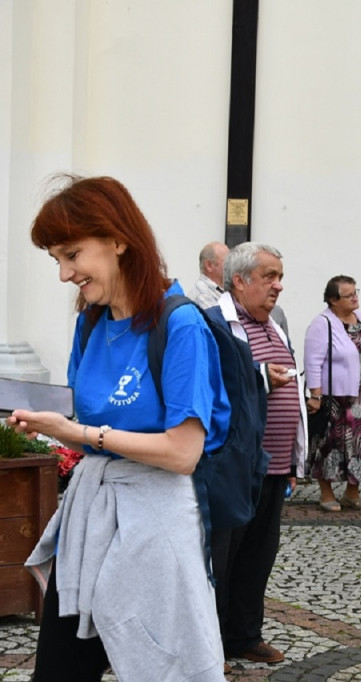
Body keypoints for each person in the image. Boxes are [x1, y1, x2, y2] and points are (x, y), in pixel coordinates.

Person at [11, 175, 231, 680]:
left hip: (156, 522)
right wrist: (58, 427)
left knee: (165, 669)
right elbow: (86, 416)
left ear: (118, 240)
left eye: (72, 254)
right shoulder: (91, 323)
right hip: (90, 520)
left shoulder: (181, 327)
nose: (65, 274)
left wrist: (82, 435)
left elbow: (182, 453)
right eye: (57, 260)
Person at [211, 242, 306, 665]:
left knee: (257, 557)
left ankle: (244, 636)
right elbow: (216, 381)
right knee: (223, 558)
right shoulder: (215, 324)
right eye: (269, 276)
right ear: (239, 280)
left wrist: (291, 461)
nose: (278, 286)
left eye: (279, 276)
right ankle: (211, 645)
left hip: (274, 464)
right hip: (235, 466)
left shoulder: (275, 324)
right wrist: (260, 375)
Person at [303, 275, 361, 511]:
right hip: (338, 398)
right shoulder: (322, 323)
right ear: (332, 299)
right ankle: (326, 493)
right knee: (330, 445)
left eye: (355, 292)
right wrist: (315, 395)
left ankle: (352, 492)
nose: (354, 297)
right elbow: (313, 361)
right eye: (348, 295)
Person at [190, 241, 230, 309]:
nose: (232, 265)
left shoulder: (226, 289)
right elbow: (219, 319)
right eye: (228, 261)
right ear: (209, 266)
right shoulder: (202, 294)